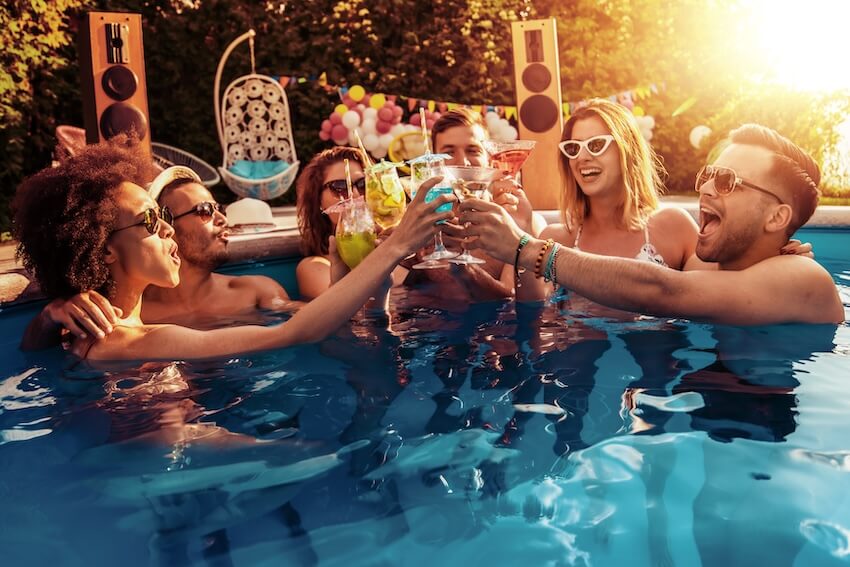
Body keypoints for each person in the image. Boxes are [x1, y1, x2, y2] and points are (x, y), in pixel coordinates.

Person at [13, 137, 455, 360]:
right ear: (103, 249)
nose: (167, 231)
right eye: (152, 219)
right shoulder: (135, 339)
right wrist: (398, 243)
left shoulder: (92, 335)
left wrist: (345, 267)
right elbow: (293, 334)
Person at [458, 123, 844, 325]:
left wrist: (527, 249)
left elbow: (662, 290)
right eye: (709, 174)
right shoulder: (724, 268)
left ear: (777, 217)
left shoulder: (804, 278)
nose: (705, 187)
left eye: (726, 181)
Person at [21, 166, 297, 348]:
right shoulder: (108, 322)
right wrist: (49, 317)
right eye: (204, 210)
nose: (221, 218)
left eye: (217, 207)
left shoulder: (258, 291)